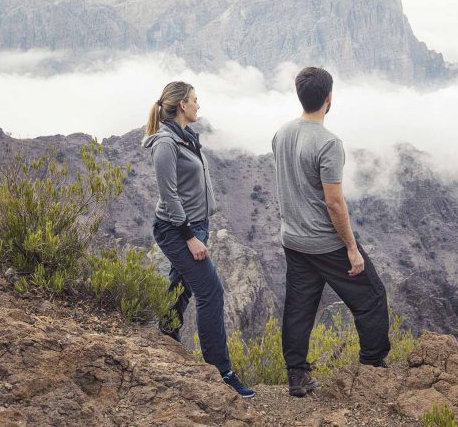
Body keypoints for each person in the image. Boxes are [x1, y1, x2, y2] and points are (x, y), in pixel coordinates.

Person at [271, 67, 391, 398]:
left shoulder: (281, 134)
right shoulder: (328, 144)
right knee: (371, 297)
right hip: (325, 242)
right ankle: (372, 368)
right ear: (328, 98)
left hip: (293, 239)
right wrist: (351, 248)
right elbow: (334, 203)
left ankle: (297, 376)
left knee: (298, 306)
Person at [143, 80, 255, 399]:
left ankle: (165, 344)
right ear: (182, 105)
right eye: (195, 99)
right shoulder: (165, 143)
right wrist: (191, 237)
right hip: (177, 229)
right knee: (211, 292)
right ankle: (223, 372)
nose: (198, 104)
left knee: (179, 291)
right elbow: (169, 197)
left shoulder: (186, 136)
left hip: (196, 225)